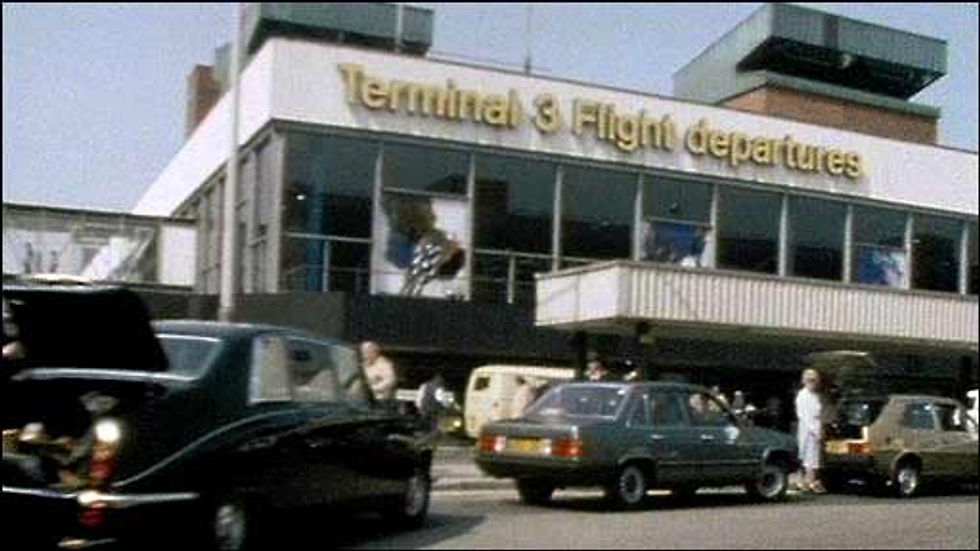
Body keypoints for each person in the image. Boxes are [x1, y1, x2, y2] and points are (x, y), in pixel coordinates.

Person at [795, 368, 826, 493]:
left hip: (815, 426)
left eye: (814, 380)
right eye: (810, 380)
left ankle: (808, 481)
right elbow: (805, 416)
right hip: (809, 429)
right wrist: (815, 431)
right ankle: (809, 481)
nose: (812, 382)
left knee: (812, 455)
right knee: (809, 455)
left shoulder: (815, 395)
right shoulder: (803, 395)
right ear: (804, 381)